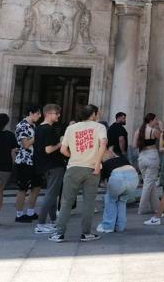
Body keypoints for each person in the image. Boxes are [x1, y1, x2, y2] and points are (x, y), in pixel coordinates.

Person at [48, 104, 107, 243]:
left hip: (73, 167)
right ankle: (86, 233)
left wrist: (73, 156)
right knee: (89, 202)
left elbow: (63, 150)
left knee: (67, 201)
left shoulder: (71, 128)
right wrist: (97, 163)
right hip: (92, 168)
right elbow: (103, 143)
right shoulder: (99, 127)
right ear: (93, 114)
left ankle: (59, 233)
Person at [33, 104, 66, 234]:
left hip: (45, 165)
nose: (58, 116)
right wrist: (61, 143)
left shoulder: (39, 128)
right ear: (47, 114)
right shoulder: (48, 129)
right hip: (53, 164)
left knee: (52, 193)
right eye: (56, 113)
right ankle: (41, 224)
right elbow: (48, 149)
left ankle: (52, 220)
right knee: (51, 194)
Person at [96, 144, 138, 233]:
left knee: (110, 200)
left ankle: (107, 227)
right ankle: (120, 227)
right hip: (133, 178)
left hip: (118, 179)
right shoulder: (122, 158)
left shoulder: (104, 164)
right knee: (122, 201)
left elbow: (102, 183)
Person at [14, 104, 43, 223]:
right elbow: (25, 144)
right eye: (38, 113)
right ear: (31, 113)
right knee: (23, 188)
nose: (40, 116)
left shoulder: (33, 125)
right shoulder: (22, 126)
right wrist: (37, 136)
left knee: (37, 186)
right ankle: (19, 214)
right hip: (24, 161)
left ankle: (30, 211)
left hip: (34, 160)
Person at [134, 113, 162, 215]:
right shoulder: (154, 131)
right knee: (148, 184)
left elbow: (134, 144)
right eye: (155, 120)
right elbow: (163, 140)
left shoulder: (138, 130)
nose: (156, 121)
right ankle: (142, 208)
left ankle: (157, 207)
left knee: (150, 183)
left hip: (142, 157)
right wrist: (161, 128)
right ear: (151, 120)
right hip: (152, 156)